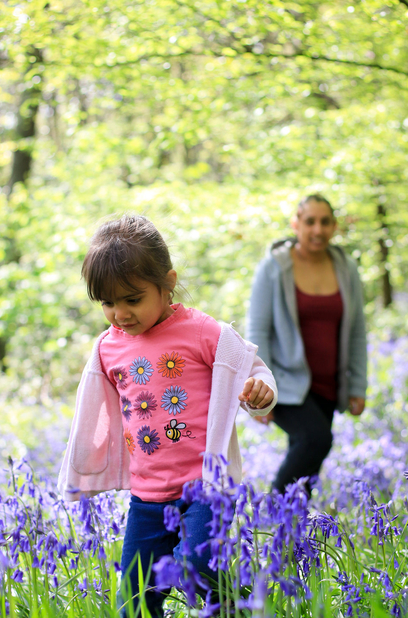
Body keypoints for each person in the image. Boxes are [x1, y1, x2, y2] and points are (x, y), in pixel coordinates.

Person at [58, 215, 278, 617]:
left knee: (196, 566)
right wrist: (85, 467)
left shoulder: (202, 331)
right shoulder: (108, 348)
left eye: (132, 299)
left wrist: (261, 391)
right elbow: (95, 410)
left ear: (168, 283)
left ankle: (235, 606)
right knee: (134, 603)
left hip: (205, 488)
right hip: (147, 497)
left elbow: (252, 368)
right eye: (108, 302)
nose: (120, 313)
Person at [246, 194, 367, 497]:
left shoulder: (346, 268)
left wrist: (358, 385)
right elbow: (258, 330)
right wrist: (262, 388)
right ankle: (271, 515)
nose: (317, 229)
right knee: (316, 440)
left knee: (308, 466)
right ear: (296, 224)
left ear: (334, 226)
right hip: (285, 383)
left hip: (328, 384)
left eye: (325, 222)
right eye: (310, 221)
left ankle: (293, 539)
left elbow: (356, 331)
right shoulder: (273, 267)